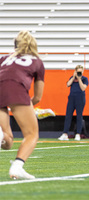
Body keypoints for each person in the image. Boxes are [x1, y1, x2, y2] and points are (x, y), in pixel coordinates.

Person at [0, 30, 45, 179]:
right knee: (32, 135)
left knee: (7, 141)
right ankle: (17, 167)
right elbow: (37, 97)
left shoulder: (4, 59)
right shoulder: (37, 62)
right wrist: (27, 107)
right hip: (16, 91)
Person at [58, 65, 89, 141]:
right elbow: (68, 84)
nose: (79, 73)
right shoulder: (72, 78)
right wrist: (73, 76)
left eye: (80, 71)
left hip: (80, 98)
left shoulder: (85, 79)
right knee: (68, 116)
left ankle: (78, 134)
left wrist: (79, 79)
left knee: (79, 116)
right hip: (71, 98)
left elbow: (83, 88)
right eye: (77, 71)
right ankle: (65, 134)